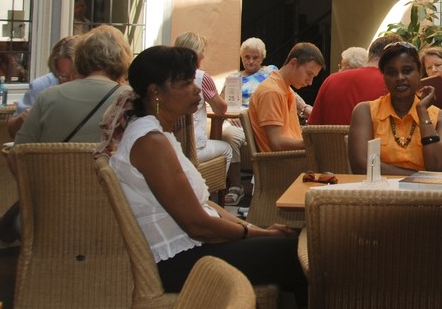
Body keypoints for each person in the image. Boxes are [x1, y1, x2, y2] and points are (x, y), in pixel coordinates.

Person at [95, 45, 305, 302]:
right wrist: (260, 233)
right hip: (179, 261)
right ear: (155, 92)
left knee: (297, 243)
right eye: (186, 83)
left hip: (195, 248)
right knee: (301, 252)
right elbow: (198, 225)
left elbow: (204, 206)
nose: (197, 89)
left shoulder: (158, 134)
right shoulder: (150, 142)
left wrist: (254, 227)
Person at [14, 25, 132, 146]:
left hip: (56, 164)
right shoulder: (131, 99)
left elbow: (18, 152)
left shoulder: (47, 96)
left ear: (79, 58)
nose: (69, 79)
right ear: (123, 60)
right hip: (105, 164)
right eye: (63, 76)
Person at [348, 42, 442, 174]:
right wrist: (419, 178)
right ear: (384, 77)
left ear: (420, 73)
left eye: (407, 71)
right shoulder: (365, 112)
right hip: (379, 193)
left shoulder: (441, 117)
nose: (399, 78)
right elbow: (360, 166)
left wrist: (422, 112)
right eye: (391, 72)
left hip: (426, 194)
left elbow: (438, 166)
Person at [174, 32, 246, 206]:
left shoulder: (166, 76)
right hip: (193, 148)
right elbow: (220, 109)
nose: (204, 55)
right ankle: (210, 197)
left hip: (170, 146)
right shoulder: (200, 77)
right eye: (202, 52)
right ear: (195, 54)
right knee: (227, 149)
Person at [307, 34, 402, 126]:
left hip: (329, 142)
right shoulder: (393, 84)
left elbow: (313, 129)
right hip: (374, 141)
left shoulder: (331, 80)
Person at [247, 42, 325, 152]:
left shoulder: (285, 88)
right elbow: (276, 143)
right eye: (309, 74)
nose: (310, 82)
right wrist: (312, 143)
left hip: (294, 159)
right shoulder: (271, 92)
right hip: (283, 164)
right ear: (293, 63)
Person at [8, 35, 80, 138]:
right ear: (55, 71)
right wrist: (22, 119)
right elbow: (12, 132)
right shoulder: (40, 87)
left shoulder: (95, 89)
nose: (70, 81)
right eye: (64, 76)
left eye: (76, 74)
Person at [238, 37, 311, 123]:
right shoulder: (234, 78)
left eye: (255, 57)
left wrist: (305, 108)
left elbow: (288, 92)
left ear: (262, 58)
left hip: (264, 118)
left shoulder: (270, 72)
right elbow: (225, 104)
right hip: (237, 119)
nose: (250, 61)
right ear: (241, 57)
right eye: (247, 57)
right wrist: (233, 116)